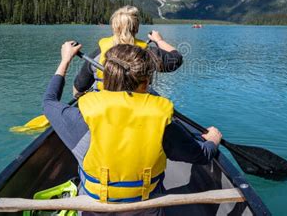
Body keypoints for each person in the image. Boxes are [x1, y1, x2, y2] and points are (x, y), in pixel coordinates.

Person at [44, 41, 222, 215]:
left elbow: (49, 101)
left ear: (108, 76)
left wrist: (65, 60)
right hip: (146, 208)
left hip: (95, 209)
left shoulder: (82, 118)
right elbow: (201, 155)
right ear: (146, 82)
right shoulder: (162, 121)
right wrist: (212, 141)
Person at [73, 6, 182, 95]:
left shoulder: (98, 54)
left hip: (105, 106)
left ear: (114, 27)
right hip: (139, 106)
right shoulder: (149, 53)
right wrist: (159, 40)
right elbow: (176, 59)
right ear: (137, 28)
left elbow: (78, 89)